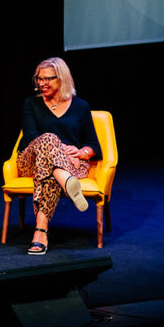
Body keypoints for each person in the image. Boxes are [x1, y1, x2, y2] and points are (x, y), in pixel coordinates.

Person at [17, 57, 102, 255]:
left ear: (62, 79)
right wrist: (61, 148)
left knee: (49, 173)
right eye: (39, 79)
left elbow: (94, 145)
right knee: (48, 139)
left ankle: (40, 233)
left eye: (48, 79)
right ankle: (66, 181)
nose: (41, 83)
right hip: (30, 159)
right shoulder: (31, 103)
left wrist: (82, 152)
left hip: (71, 164)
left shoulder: (81, 106)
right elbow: (31, 136)